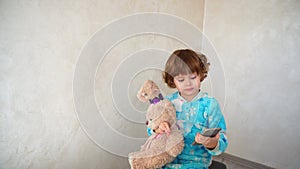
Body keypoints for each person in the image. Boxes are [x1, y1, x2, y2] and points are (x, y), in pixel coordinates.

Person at [150, 49, 228, 169]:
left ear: (200, 75)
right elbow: (151, 127)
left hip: (196, 163)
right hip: (167, 160)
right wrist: (158, 128)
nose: (188, 83)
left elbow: (221, 139)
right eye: (181, 80)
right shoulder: (167, 102)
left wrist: (211, 143)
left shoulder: (210, 105)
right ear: (173, 80)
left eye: (192, 77)